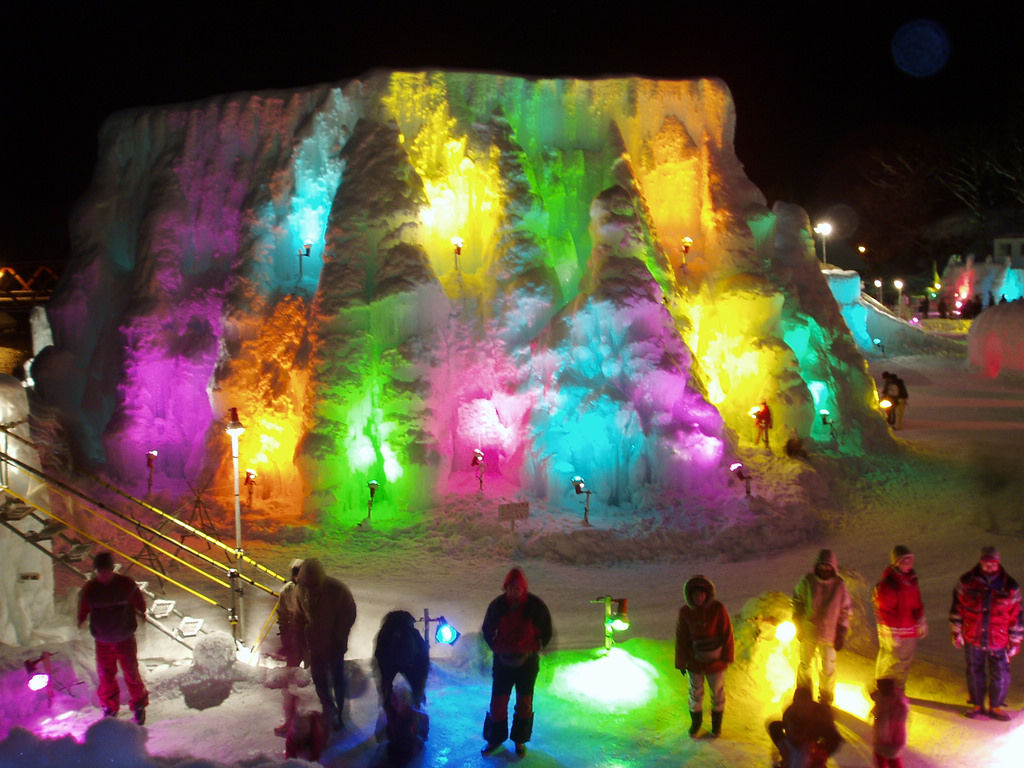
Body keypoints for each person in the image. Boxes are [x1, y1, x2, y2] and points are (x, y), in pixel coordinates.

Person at [481, 567, 553, 756]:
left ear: (524, 589)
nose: (515, 592)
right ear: (506, 588)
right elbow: (487, 628)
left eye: (518, 588)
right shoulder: (498, 605)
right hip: (503, 663)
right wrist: (496, 646)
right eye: (511, 588)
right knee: (498, 703)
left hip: (527, 664)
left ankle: (520, 740)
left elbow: (546, 630)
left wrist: (536, 646)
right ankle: (494, 739)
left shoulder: (534, 606)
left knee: (524, 704)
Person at [949, 546, 1023, 720]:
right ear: (981, 562)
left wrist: (1015, 640)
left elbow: (1017, 614)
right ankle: (977, 704)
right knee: (974, 671)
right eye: (986, 563)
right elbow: (957, 607)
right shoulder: (967, 582)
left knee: (1001, 673)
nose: (989, 567)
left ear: (998, 562)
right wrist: (956, 630)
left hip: (998, 640)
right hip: (973, 636)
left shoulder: (1009, 586)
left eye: (993, 564)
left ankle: (996, 706)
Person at [76, 551, 149, 724]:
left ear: (111, 569)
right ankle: (110, 707)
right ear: (96, 571)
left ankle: (139, 705)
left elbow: (139, 603)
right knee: (106, 676)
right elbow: (83, 609)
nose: (104, 575)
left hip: (124, 638)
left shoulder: (125, 585)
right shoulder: (91, 589)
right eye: (100, 572)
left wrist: (141, 612)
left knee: (131, 673)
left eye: (106, 571)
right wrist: (80, 620)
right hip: (103, 640)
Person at [298, 557, 357, 731]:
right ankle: (329, 710)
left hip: (334, 644)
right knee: (319, 679)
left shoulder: (336, 590)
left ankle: (341, 713)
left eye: (313, 584)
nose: (311, 587)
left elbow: (349, 612)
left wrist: (339, 636)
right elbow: (301, 614)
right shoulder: (302, 590)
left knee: (337, 678)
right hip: (316, 644)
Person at [674, 574, 735, 738]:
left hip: (716, 661)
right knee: (695, 692)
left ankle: (716, 725)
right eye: (695, 594)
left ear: (707, 594)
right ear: (690, 595)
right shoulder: (685, 612)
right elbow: (681, 638)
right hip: (695, 662)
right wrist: (681, 662)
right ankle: (696, 723)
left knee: (717, 692)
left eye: (701, 594)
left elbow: (727, 633)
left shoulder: (718, 609)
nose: (698, 598)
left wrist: (727, 656)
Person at [792, 549, 852, 705]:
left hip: (830, 634)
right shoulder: (807, 581)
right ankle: (803, 694)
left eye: (828, 566)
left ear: (833, 567)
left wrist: (842, 631)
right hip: (809, 631)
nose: (825, 569)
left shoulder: (839, 585)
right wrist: (797, 621)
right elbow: (798, 600)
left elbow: (845, 610)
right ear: (816, 566)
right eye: (822, 566)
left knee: (828, 668)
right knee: (805, 664)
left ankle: (826, 698)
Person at [873, 545, 927, 689]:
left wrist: (921, 620)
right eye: (905, 560)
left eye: (911, 560)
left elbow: (916, 602)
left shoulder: (911, 580)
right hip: (895, 630)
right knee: (891, 661)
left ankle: (898, 689)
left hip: (909, 629)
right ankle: (884, 690)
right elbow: (885, 610)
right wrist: (891, 631)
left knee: (905, 661)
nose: (909, 563)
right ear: (896, 562)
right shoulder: (888, 584)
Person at [767, 686, 842, 767]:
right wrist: (784, 748)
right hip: (797, 747)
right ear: (795, 702)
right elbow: (778, 728)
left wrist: (821, 753)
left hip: (813, 746)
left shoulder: (820, 715)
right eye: (799, 705)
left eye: (805, 705)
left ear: (810, 703)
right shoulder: (790, 714)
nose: (802, 709)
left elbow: (834, 738)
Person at [871, 678, 909, 768]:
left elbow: (877, 716)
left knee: (882, 759)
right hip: (897, 738)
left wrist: (876, 718)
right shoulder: (900, 701)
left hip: (885, 738)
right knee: (894, 759)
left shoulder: (883, 702)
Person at [277, 559, 305, 667]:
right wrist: (284, 635)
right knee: (292, 663)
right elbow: (282, 614)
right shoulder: (287, 591)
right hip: (294, 633)